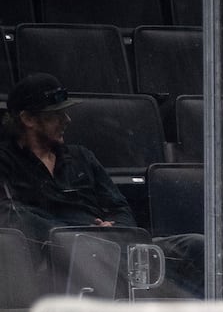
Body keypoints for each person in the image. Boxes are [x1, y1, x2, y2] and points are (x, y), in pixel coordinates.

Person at [0, 72, 202, 297]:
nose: (67, 120)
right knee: (102, 261)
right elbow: (11, 214)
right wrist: (75, 236)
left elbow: (120, 208)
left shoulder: (82, 157)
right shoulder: (6, 161)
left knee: (195, 246)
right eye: (55, 115)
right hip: (56, 258)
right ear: (28, 119)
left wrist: (112, 228)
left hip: (111, 247)